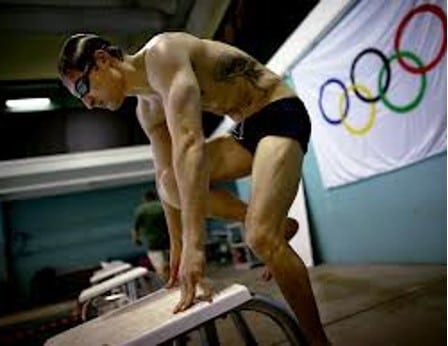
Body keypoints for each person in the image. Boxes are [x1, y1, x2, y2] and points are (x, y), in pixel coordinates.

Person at [58, 32, 330, 345]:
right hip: (244, 130)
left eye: (82, 87)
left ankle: (318, 341)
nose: (88, 103)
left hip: (279, 111)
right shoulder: (147, 110)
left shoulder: (162, 54)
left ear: (102, 61)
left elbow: (190, 144)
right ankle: (278, 225)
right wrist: (177, 251)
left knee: (259, 236)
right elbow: (165, 179)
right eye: (80, 98)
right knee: (169, 183)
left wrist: (195, 245)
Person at [131, 190, 170, 281]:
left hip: (152, 243)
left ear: (145, 199)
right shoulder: (163, 206)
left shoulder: (141, 210)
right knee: (173, 262)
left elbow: (135, 228)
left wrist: (136, 239)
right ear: (155, 197)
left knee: (159, 266)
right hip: (168, 240)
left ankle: (167, 282)